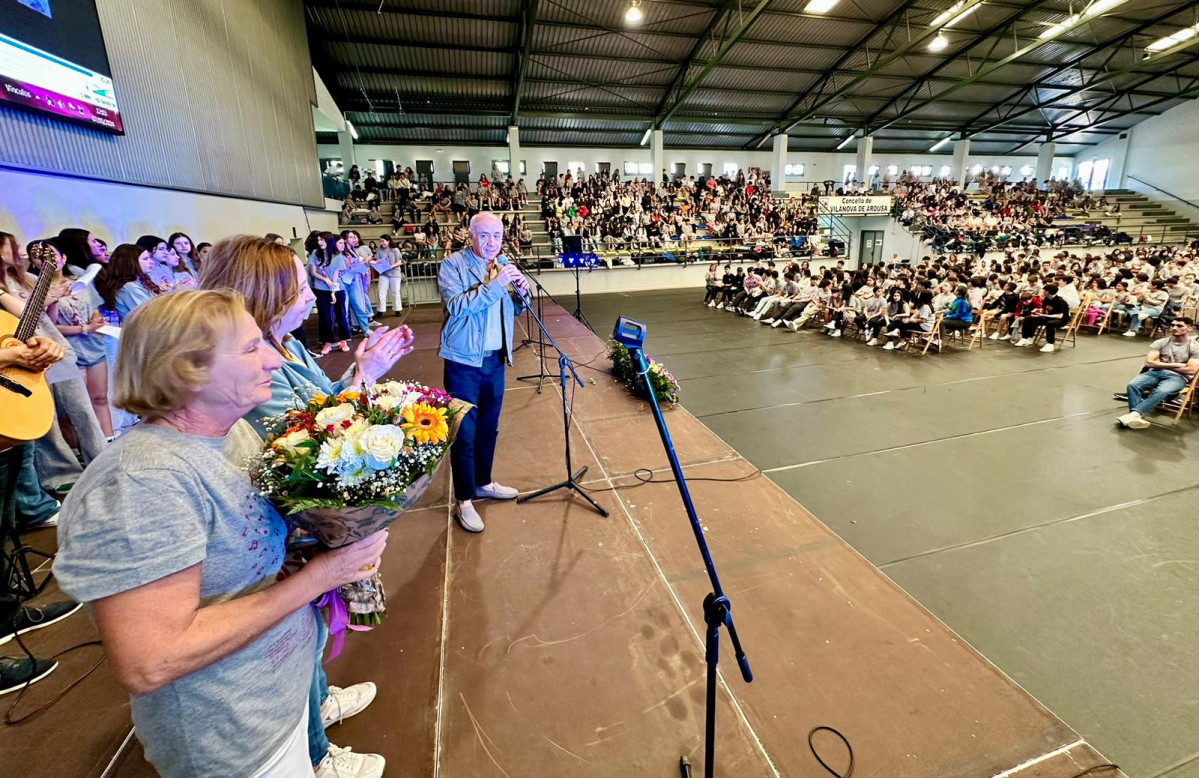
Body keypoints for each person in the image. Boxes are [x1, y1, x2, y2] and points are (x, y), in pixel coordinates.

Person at [53, 289, 389, 777]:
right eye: (252, 348)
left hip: (278, 701)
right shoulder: (144, 481)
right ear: (185, 369)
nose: (274, 359)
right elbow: (152, 660)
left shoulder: (230, 434)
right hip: (231, 738)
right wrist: (320, 576)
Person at [200, 237, 412, 777]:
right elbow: (309, 434)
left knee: (310, 628)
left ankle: (316, 706)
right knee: (296, 627)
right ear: (264, 295)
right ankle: (316, 755)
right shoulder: (251, 365)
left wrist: (363, 371)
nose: (316, 293)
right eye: (299, 286)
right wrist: (363, 380)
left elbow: (323, 404)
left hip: (298, 514)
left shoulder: (287, 345)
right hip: (280, 518)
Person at [438, 212, 528, 533]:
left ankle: (483, 482)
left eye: (498, 236)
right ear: (471, 236)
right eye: (485, 236)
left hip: (495, 359)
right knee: (464, 431)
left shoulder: (502, 266)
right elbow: (457, 307)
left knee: (489, 427)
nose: (492, 243)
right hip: (463, 361)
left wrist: (520, 290)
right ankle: (464, 499)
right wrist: (497, 285)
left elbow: (514, 308)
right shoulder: (452, 265)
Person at [1118, 317, 1199, 429]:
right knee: (1133, 385)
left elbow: (1191, 370)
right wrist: (1178, 365)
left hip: (1178, 377)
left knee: (1162, 390)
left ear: (1189, 328)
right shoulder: (1161, 342)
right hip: (1156, 372)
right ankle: (1135, 417)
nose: (1174, 328)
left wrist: (1160, 363)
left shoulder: (1195, 347)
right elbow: (1149, 362)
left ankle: (1134, 414)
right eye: (1173, 325)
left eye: (1179, 326)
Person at [307, 232, 351, 356]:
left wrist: (333, 291)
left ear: (328, 241)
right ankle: (328, 342)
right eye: (319, 240)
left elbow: (336, 275)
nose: (320, 242)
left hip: (336, 289)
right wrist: (325, 279)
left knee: (341, 314)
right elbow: (313, 271)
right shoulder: (316, 253)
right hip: (320, 289)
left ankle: (344, 340)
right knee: (324, 316)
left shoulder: (337, 256)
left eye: (322, 240)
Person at [1014, 282, 1069, 352]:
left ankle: (1050, 344)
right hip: (1048, 317)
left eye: (1043, 290)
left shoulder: (1060, 301)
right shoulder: (1046, 299)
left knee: (1050, 323)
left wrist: (1043, 315)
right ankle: (1027, 338)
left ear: (1047, 292)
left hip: (1061, 320)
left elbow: (1060, 316)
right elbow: (1043, 309)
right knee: (1029, 318)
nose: (1042, 291)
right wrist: (1038, 310)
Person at [374, 234, 404, 314]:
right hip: (384, 273)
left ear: (388, 241)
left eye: (383, 241)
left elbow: (399, 261)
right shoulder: (380, 250)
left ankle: (397, 309)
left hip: (395, 273)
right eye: (380, 241)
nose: (381, 243)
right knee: (381, 291)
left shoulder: (395, 250)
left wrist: (391, 266)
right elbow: (377, 260)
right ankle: (380, 310)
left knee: (395, 291)